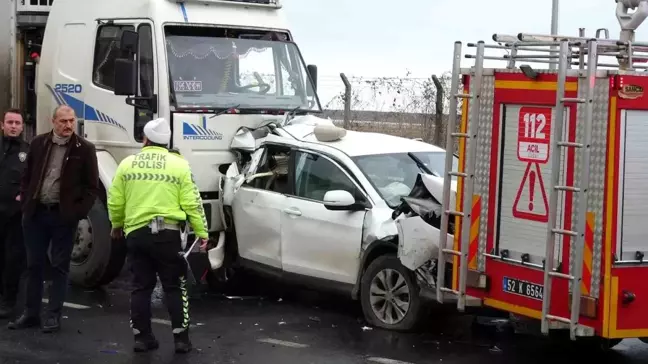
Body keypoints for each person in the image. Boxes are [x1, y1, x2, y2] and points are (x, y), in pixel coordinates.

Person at [107, 117, 208, 354]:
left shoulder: (127, 164)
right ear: (166, 142)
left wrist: (116, 225)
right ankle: (181, 340)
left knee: (141, 286)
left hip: (136, 234)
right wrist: (202, 232)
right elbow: (192, 202)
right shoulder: (179, 165)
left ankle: (143, 338)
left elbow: (115, 199)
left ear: (145, 139)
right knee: (174, 286)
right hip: (168, 236)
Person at [9, 105, 99, 333]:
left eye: (71, 120)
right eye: (63, 121)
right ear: (53, 121)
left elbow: (91, 187)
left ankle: (53, 316)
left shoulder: (84, 148)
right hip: (35, 214)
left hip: (62, 216)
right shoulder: (39, 143)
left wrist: (77, 212)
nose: (68, 125)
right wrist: (26, 200)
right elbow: (27, 175)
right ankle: (31, 314)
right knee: (34, 265)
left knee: (59, 267)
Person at [0, 108, 29, 319]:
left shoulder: (28, 151)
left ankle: (9, 301)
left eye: (17, 123)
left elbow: (34, 179)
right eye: (9, 122)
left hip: (15, 215)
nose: (13, 126)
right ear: (2, 125)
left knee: (13, 259)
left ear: (22, 127)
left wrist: (24, 196)